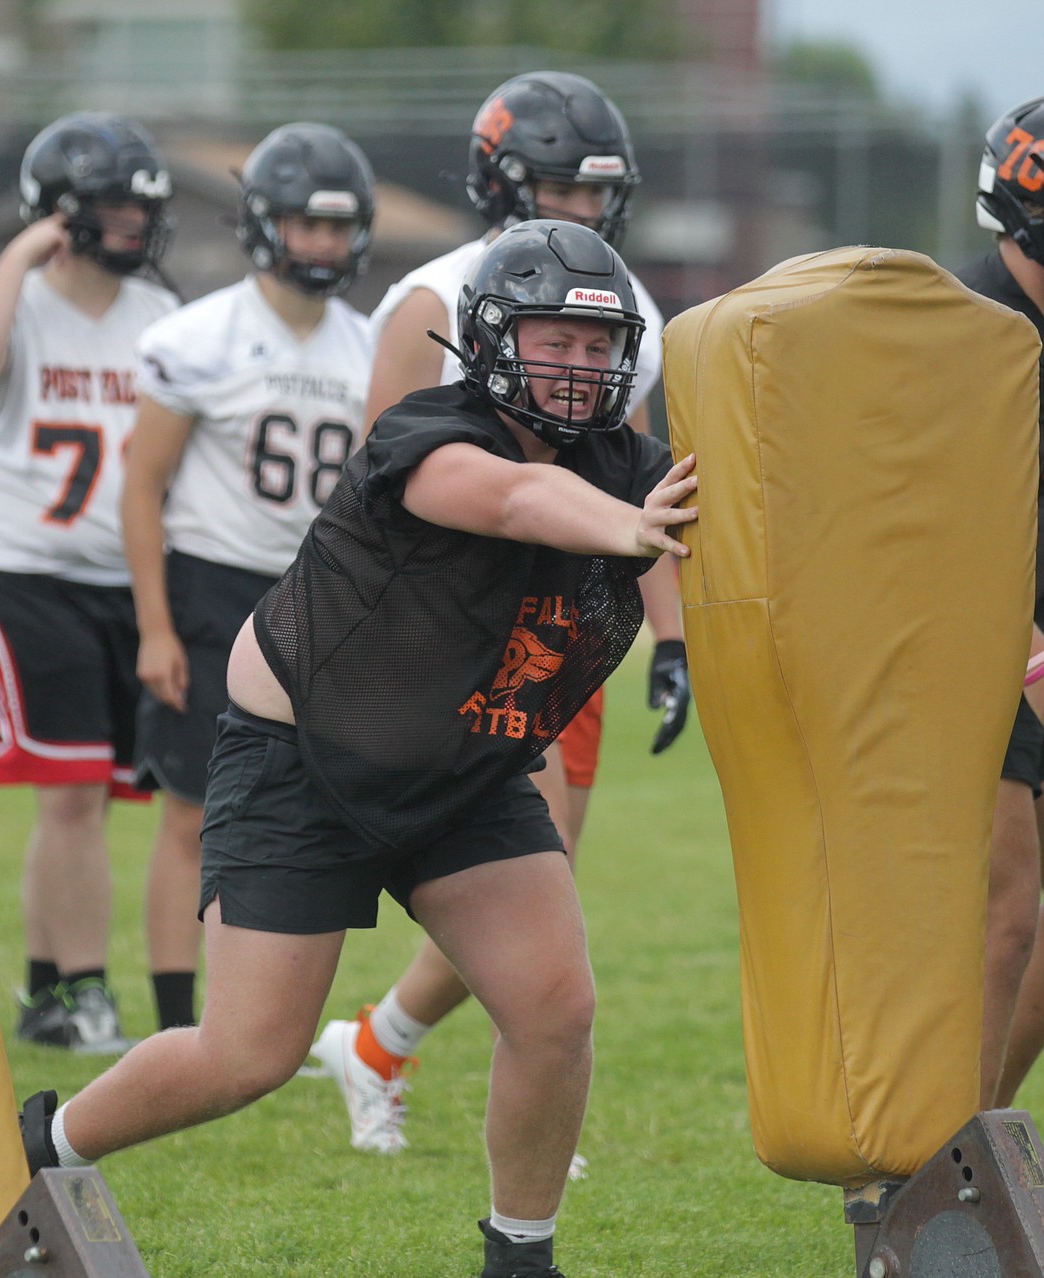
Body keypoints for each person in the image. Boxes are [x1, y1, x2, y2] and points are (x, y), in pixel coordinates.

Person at [19, 219, 698, 1278]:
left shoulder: (619, 466)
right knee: (245, 1055)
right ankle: (36, 1157)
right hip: (307, 761)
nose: (577, 364)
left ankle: (522, 1260)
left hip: (464, 768)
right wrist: (630, 527)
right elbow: (524, 501)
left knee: (555, 1007)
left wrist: (681, 634)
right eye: (551, 338)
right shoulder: (422, 434)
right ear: (489, 338)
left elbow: (674, 511)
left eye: (597, 344)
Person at [310, 68, 690, 1158]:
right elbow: (386, 482)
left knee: (546, 876)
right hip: (445, 638)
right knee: (518, 882)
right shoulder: (433, 298)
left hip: (563, 626)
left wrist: (672, 635)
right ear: (500, 183)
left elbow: (646, 489)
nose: (577, 212)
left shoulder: (627, 308)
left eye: (592, 192)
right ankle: (460, 1062)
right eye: (556, 188)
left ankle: (387, 1046)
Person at [122, 123, 376, 1031]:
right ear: (264, 225)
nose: (321, 245)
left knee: (304, 815)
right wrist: (155, 625)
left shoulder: (374, 346)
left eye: (337, 228)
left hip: (322, 599)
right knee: (191, 812)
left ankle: (255, 1009)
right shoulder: (197, 336)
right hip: (213, 590)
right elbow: (142, 484)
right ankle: (173, 1017)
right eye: (305, 224)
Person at [0, 112, 178, 1054]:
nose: (132, 224)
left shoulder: (158, 318)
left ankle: (46, 992)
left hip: (127, 577)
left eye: (139, 208)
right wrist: (23, 254)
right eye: (112, 206)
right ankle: (82, 991)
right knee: (70, 789)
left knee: (91, 792)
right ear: (61, 212)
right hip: (23, 568)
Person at [955, 95, 1044, 1107]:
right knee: (1004, 911)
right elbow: (944, 534)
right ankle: (944, 1172)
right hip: (968, 646)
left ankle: (979, 1142)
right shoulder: (962, 335)